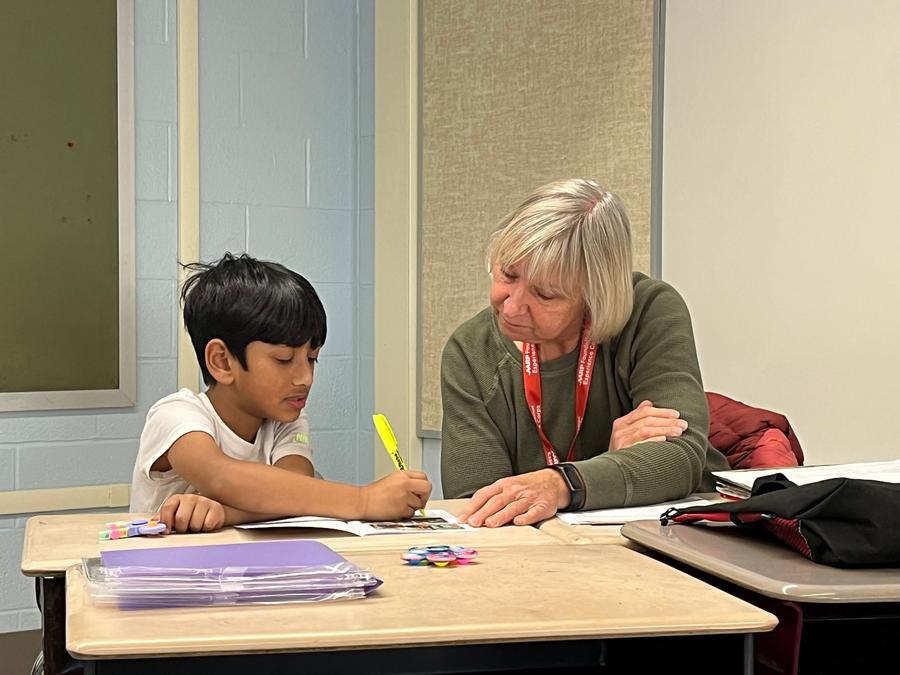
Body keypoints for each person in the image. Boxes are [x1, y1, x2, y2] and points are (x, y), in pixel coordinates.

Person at [440, 179, 729, 527]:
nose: (512, 307)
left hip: (677, 536)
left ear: (596, 294)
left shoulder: (650, 311)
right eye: (508, 274)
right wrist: (610, 463)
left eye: (545, 295)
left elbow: (678, 459)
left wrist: (561, 483)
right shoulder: (471, 352)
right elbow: (481, 503)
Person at [130, 253, 431, 532]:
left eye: (312, 358)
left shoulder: (288, 420)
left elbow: (294, 492)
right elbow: (221, 478)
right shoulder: (176, 415)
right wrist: (364, 501)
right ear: (222, 361)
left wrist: (226, 513)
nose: (306, 378)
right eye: (284, 360)